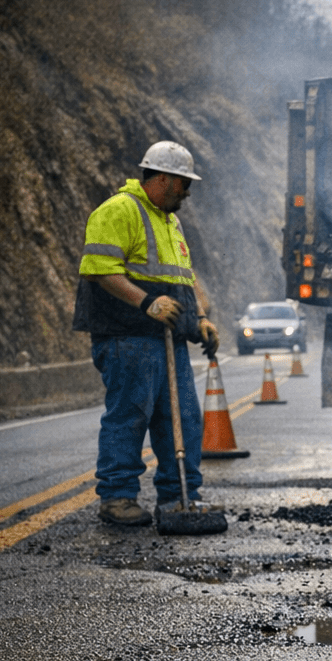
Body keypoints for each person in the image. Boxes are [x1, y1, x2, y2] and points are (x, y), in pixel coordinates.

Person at [73, 141, 222, 527]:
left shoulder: (170, 221)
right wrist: (146, 303)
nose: (187, 192)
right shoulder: (118, 211)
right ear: (162, 178)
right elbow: (99, 268)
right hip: (127, 338)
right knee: (130, 416)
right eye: (183, 183)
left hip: (167, 338)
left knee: (183, 417)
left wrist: (199, 318)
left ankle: (179, 496)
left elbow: (182, 282)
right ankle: (117, 498)